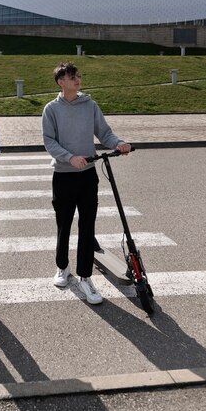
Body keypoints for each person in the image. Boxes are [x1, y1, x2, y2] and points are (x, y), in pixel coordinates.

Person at [42, 61, 131, 305]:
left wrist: (118, 144)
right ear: (61, 82)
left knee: (87, 225)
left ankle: (85, 277)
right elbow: (49, 141)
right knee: (64, 224)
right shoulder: (51, 109)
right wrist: (70, 157)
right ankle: (62, 267)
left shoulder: (90, 105)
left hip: (88, 174)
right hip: (63, 175)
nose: (77, 79)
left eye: (78, 75)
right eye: (72, 76)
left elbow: (105, 133)